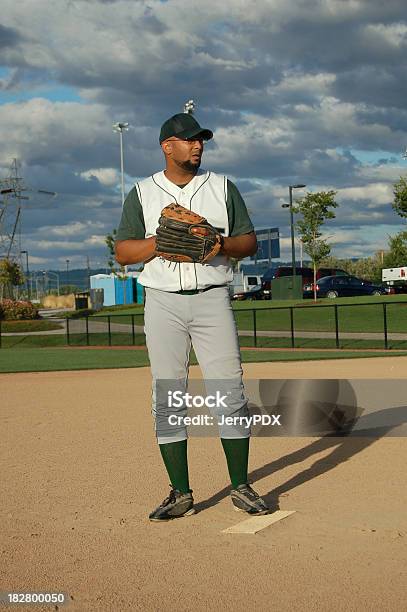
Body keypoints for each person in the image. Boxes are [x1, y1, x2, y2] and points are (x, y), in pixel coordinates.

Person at [115, 112, 269, 521]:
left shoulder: (221, 187)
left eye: (201, 140)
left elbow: (249, 242)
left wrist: (218, 242)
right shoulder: (143, 192)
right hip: (162, 301)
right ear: (168, 146)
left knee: (228, 391)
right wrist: (159, 242)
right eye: (188, 140)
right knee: (167, 394)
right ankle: (180, 493)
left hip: (212, 297)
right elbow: (123, 252)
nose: (197, 145)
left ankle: (240, 485)